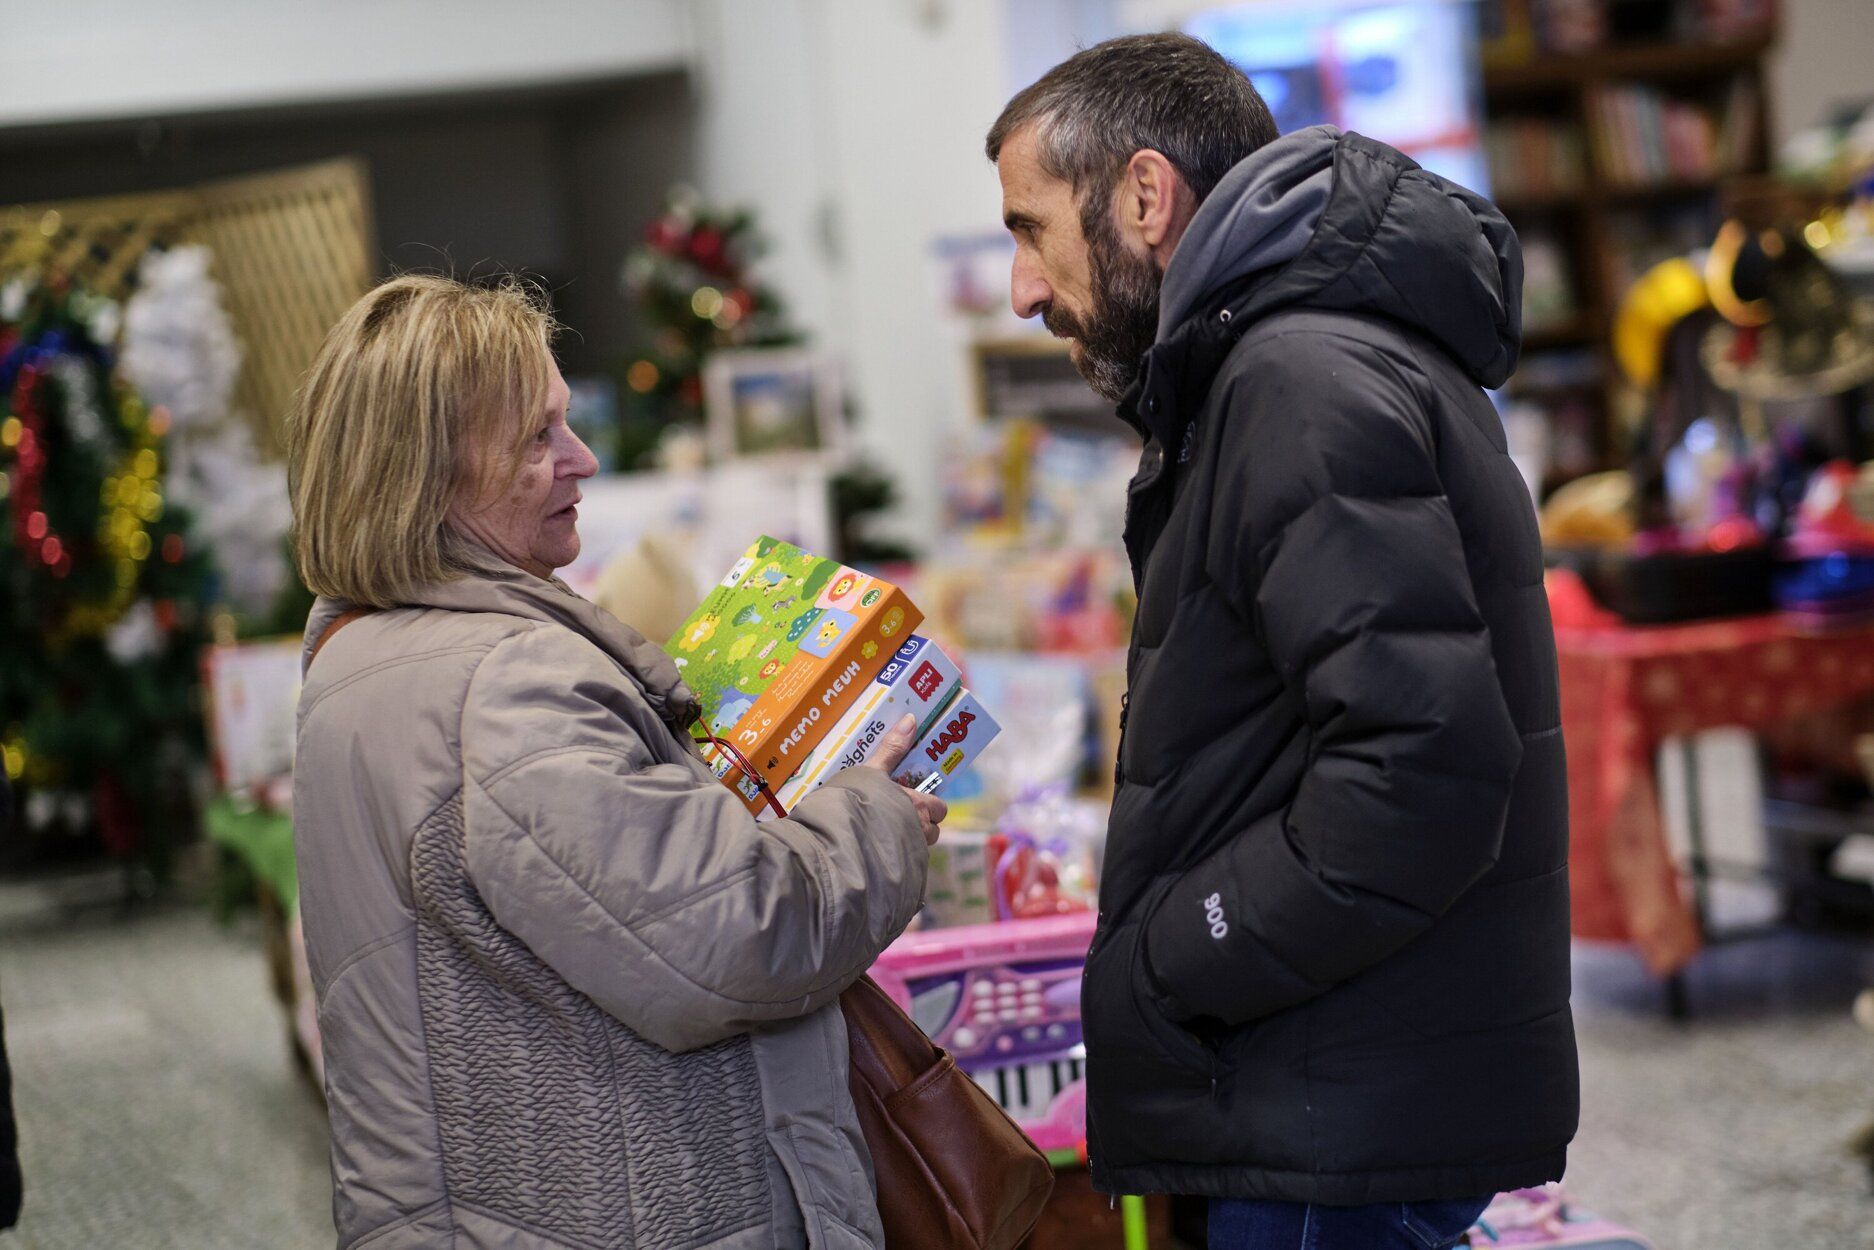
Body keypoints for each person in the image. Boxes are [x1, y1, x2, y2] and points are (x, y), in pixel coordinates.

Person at [986, 34, 1578, 1250]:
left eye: (1029, 229)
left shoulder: (1294, 378)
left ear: (1144, 197)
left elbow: (1420, 767)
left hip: (1330, 1107)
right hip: (1335, 1085)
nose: (1022, 289)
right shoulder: (1291, 357)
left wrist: (1175, 955)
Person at [286, 274, 943, 1250]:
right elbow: (733, 936)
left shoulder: (366, 657)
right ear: (429, 469)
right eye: (538, 437)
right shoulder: (507, 687)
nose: (583, 458)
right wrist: (875, 813)